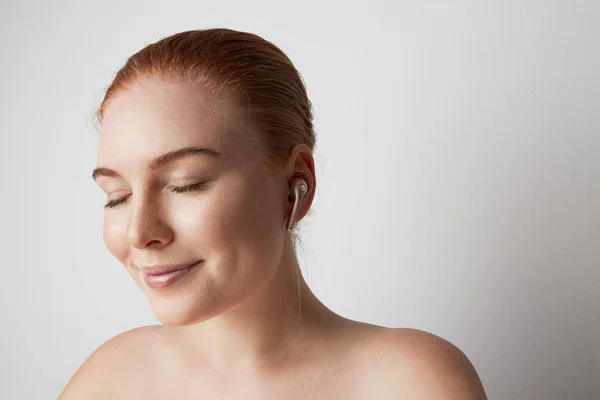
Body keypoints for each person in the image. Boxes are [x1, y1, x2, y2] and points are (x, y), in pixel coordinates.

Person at [58, 28, 487, 399]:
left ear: (295, 185)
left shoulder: (408, 382)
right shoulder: (110, 379)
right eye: (116, 195)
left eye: (186, 183)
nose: (139, 232)